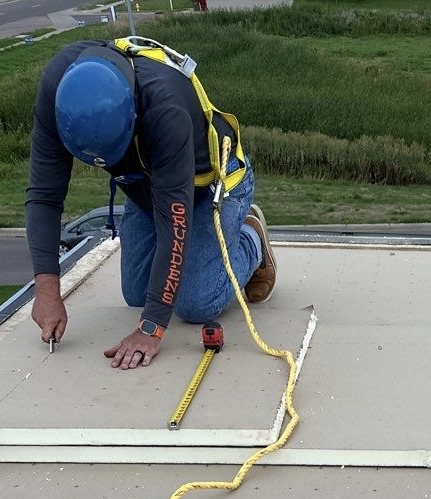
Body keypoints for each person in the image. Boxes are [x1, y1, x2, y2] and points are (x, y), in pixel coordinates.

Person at [26, 37, 276, 370]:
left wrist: (151, 328)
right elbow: (44, 195)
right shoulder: (60, 92)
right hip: (144, 185)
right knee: (137, 295)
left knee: (194, 304)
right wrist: (46, 288)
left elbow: (175, 224)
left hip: (210, 184)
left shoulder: (165, 108)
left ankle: (251, 240)